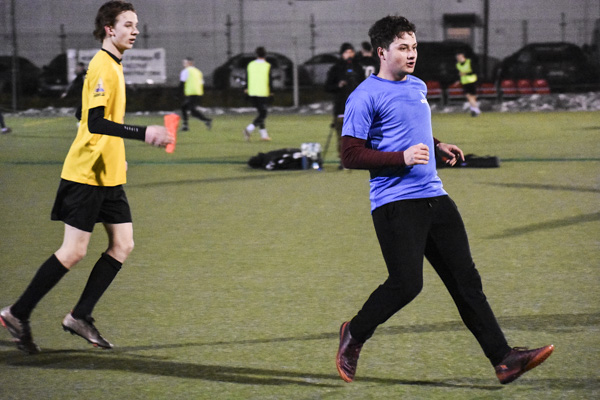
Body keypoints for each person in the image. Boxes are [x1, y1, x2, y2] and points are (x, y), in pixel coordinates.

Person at [335, 15, 554, 385]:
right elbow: (350, 154)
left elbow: (410, 128)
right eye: (403, 48)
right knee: (406, 285)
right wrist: (401, 158)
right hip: (395, 203)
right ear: (382, 52)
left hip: (435, 196)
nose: (411, 54)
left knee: (466, 281)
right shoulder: (364, 96)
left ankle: (504, 360)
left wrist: (437, 145)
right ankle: (354, 333)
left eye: (414, 47)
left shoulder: (417, 85)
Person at [0, 0, 172, 354]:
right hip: (86, 175)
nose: (135, 31)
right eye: (128, 25)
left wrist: (116, 155)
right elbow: (94, 122)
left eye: (136, 24)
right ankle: (17, 313)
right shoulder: (103, 65)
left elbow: (82, 111)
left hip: (108, 174)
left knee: (123, 245)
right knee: (74, 251)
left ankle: (79, 316)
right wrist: (144, 133)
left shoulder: (111, 64)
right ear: (110, 29)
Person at [324, 42, 364, 167]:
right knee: (342, 136)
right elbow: (327, 87)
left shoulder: (358, 68)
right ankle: (344, 160)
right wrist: (338, 85)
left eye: (351, 52)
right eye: (347, 52)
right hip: (341, 107)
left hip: (357, 108)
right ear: (342, 54)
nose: (349, 55)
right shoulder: (336, 69)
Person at [243, 46, 272, 141]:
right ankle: (248, 129)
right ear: (265, 55)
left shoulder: (250, 64)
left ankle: (264, 135)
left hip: (252, 92)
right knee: (263, 114)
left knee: (261, 113)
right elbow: (270, 80)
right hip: (262, 92)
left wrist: (246, 88)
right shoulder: (267, 65)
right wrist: (271, 91)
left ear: (256, 54)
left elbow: (247, 77)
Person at [180, 57, 212, 132]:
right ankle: (185, 125)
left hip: (191, 93)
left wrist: (178, 93)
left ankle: (207, 120)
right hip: (198, 93)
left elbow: (182, 83)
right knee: (184, 107)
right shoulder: (198, 71)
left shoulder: (186, 71)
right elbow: (202, 83)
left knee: (192, 110)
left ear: (189, 63)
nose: (184, 64)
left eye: (185, 63)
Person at [455, 51, 481, 117]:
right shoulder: (458, 65)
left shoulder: (469, 62)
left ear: (463, 57)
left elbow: (474, 71)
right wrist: (459, 80)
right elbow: (460, 74)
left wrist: (465, 73)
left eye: (460, 57)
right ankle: (474, 110)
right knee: (470, 97)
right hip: (465, 82)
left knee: (471, 97)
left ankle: (475, 110)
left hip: (472, 81)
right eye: (458, 58)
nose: (459, 58)